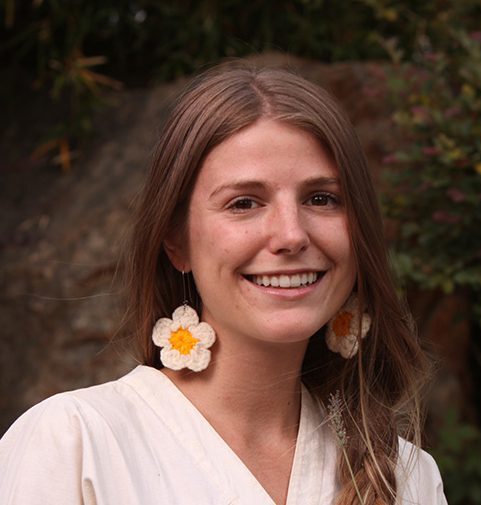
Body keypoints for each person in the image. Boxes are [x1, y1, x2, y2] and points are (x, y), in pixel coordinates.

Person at [0, 63, 448, 505]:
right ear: (176, 240)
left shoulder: (407, 477)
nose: (292, 234)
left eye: (321, 198)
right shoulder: (76, 445)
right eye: (244, 203)